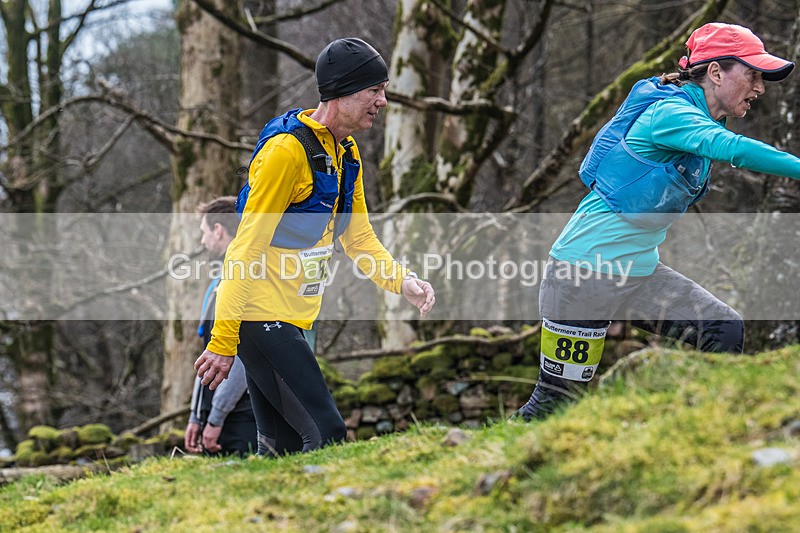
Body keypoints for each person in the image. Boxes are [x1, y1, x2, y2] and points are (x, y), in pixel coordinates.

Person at [515, 22, 800, 420]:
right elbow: (731, 149)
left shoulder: (699, 117)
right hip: (582, 273)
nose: (760, 88)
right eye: (753, 74)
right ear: (716, 72)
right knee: (555, 401)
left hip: (638, 274)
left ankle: (704, 431)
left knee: (724, 330)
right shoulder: (670, 113)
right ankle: (472, 466)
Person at [194, 38, 435, 455]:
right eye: (374, 90)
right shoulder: (286, 152)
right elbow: (244, 250)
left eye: (384, 90)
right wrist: (222, 340)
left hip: (293, 320)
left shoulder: (345, 152)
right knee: (327, 433)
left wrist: (402, 281)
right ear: (342, 91)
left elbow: (358, 237)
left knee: (281, 449)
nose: (383, 101)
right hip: (259, 317)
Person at [184, 197, 257, 456]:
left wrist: (215, 418)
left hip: (241, 417)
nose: (202, 241)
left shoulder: (239, 280)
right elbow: (207, 351)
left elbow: (242, 356)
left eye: (204, 232)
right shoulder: (220, 280)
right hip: (220, 415)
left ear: (218, 229)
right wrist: (196, 415)